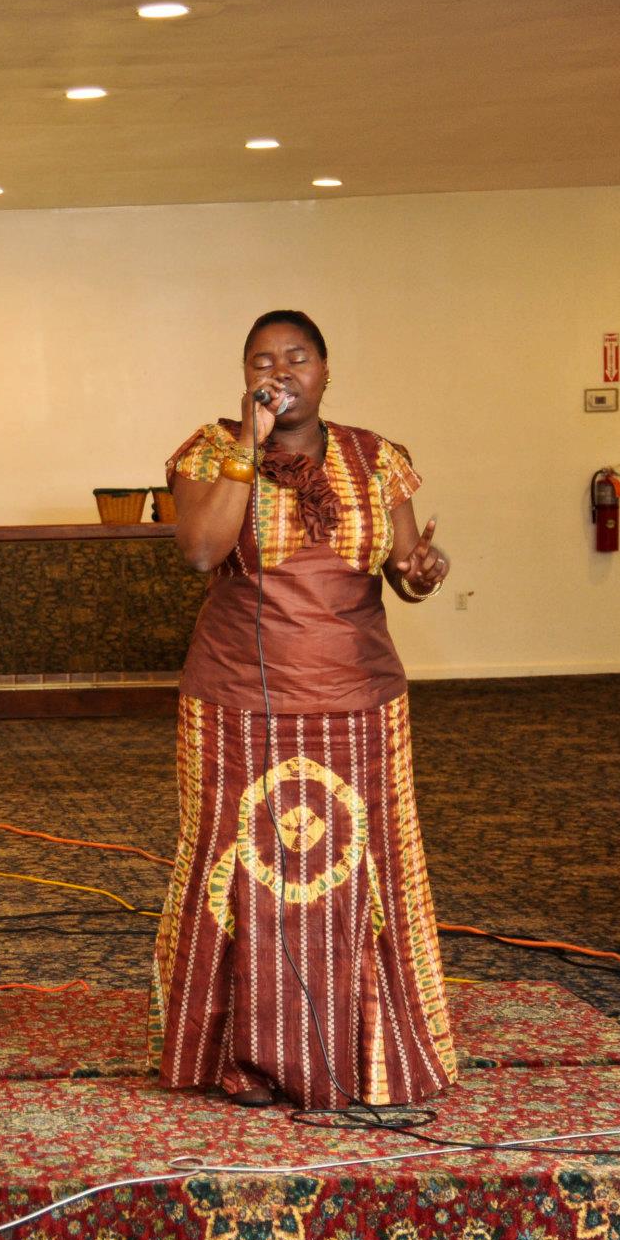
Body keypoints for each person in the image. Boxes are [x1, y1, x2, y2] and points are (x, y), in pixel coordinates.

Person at [150, 309, 456, 1111]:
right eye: (263, 361)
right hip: (237, 704)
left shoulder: (377, 458)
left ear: (326, 371)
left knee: (363, 867)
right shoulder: (209, 450)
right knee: (240, 869)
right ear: (245, 377)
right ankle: (238, 1052)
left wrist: (423, 571)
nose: (280, 371)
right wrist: (248, 449)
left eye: (297, 357)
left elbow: (404, 570)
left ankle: (368, 1048)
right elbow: (201, 550)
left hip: (360, 702)